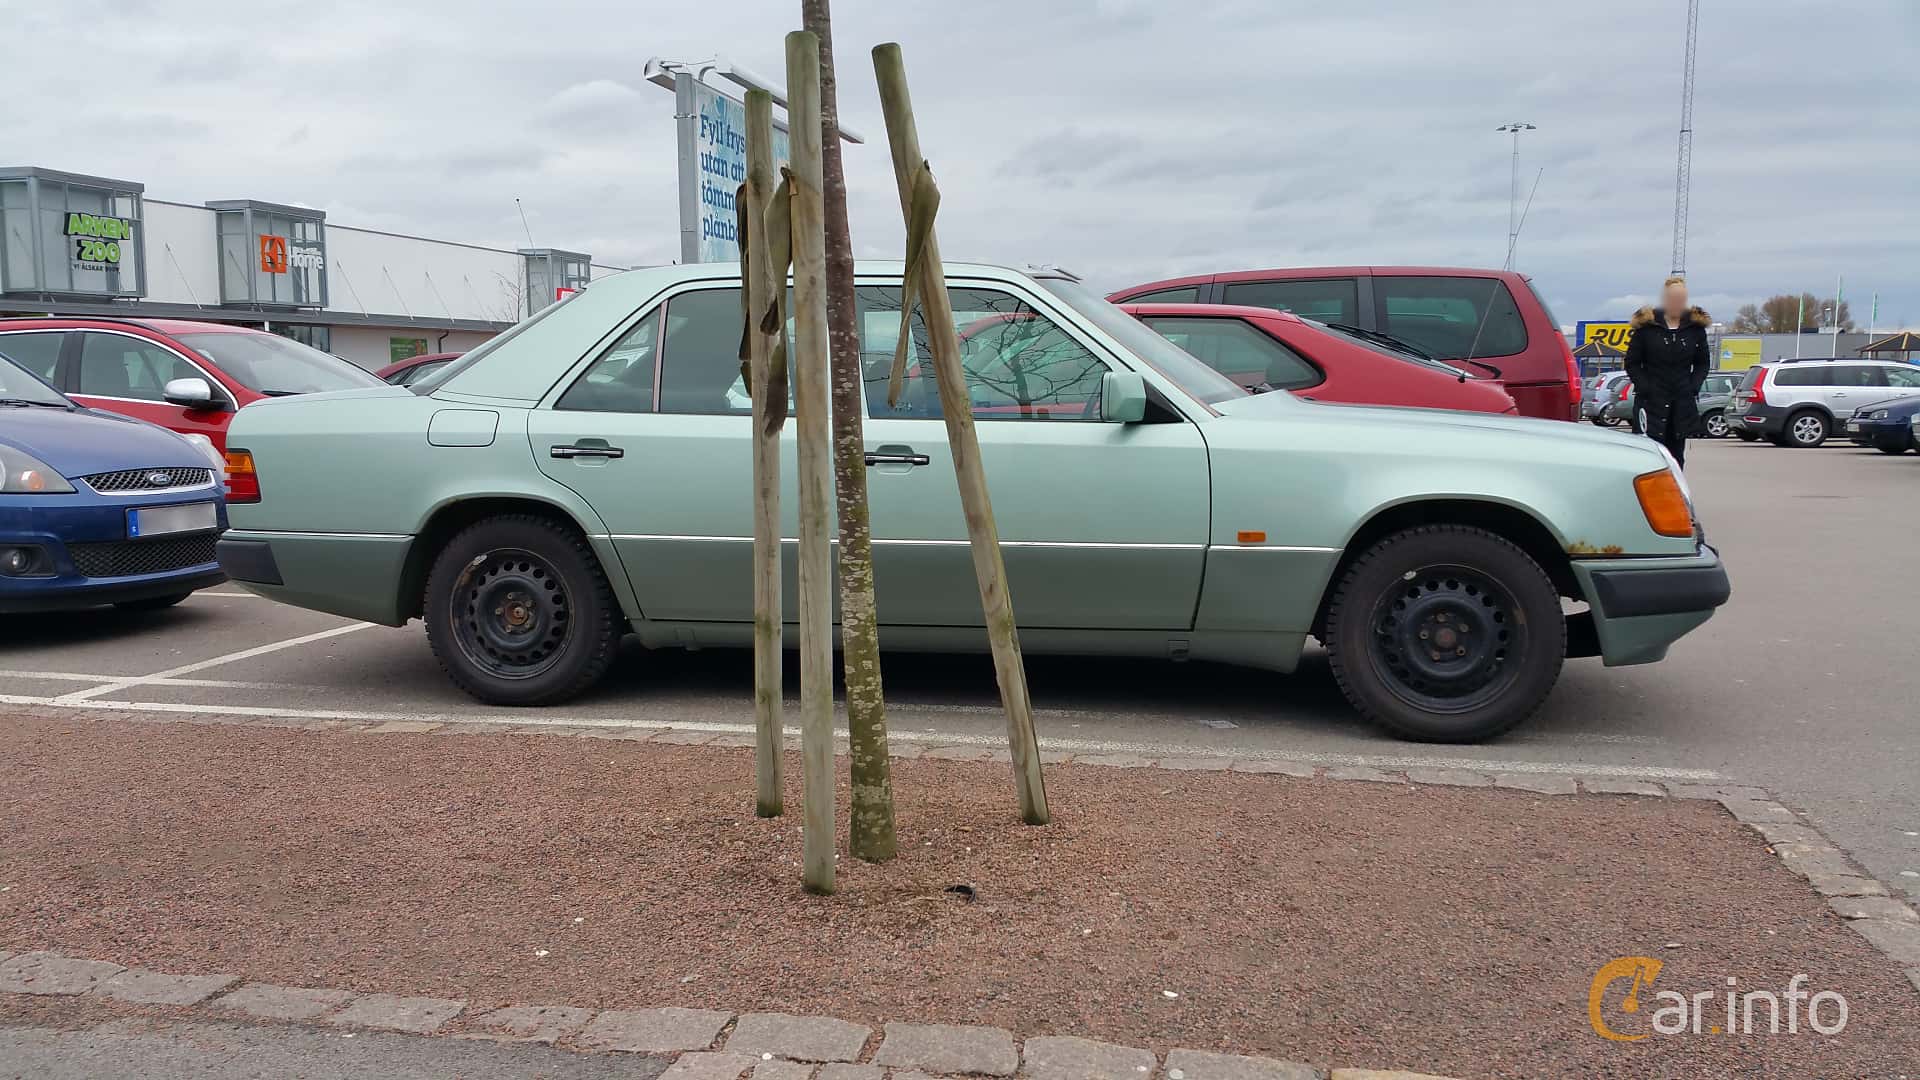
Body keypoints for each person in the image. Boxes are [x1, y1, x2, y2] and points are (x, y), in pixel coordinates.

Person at [1624, 276, 1711, 467]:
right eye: (1672, 297)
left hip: (1680, 404)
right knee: (1648, 458)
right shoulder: (1647, 327)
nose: (1676, 302)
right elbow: (1632, 362)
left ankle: (1674, 494)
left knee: (1675, 458)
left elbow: (1702, 364)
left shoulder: (1695, 330)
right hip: (1650, 404)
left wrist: (1692, 386)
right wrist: (1644, 386)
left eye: (1681, 297)